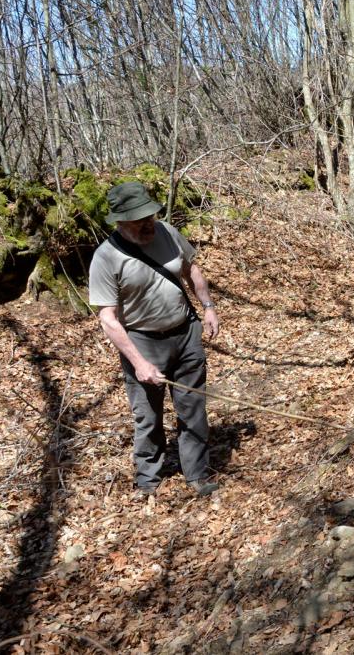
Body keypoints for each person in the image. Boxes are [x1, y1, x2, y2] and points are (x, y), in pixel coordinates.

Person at [88, 181, 221, 497]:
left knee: (193, 408)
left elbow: (192, 270)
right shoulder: (105, 258)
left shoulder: (167, 232)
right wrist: (139, 362)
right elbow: (108, 319)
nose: (148, 223)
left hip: (186, 332)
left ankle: (198, 475)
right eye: (138, 219)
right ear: (120, 221)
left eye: (149, 215)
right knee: (148, 417)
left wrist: (209, 307)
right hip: (144, 341)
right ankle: (149, 481)